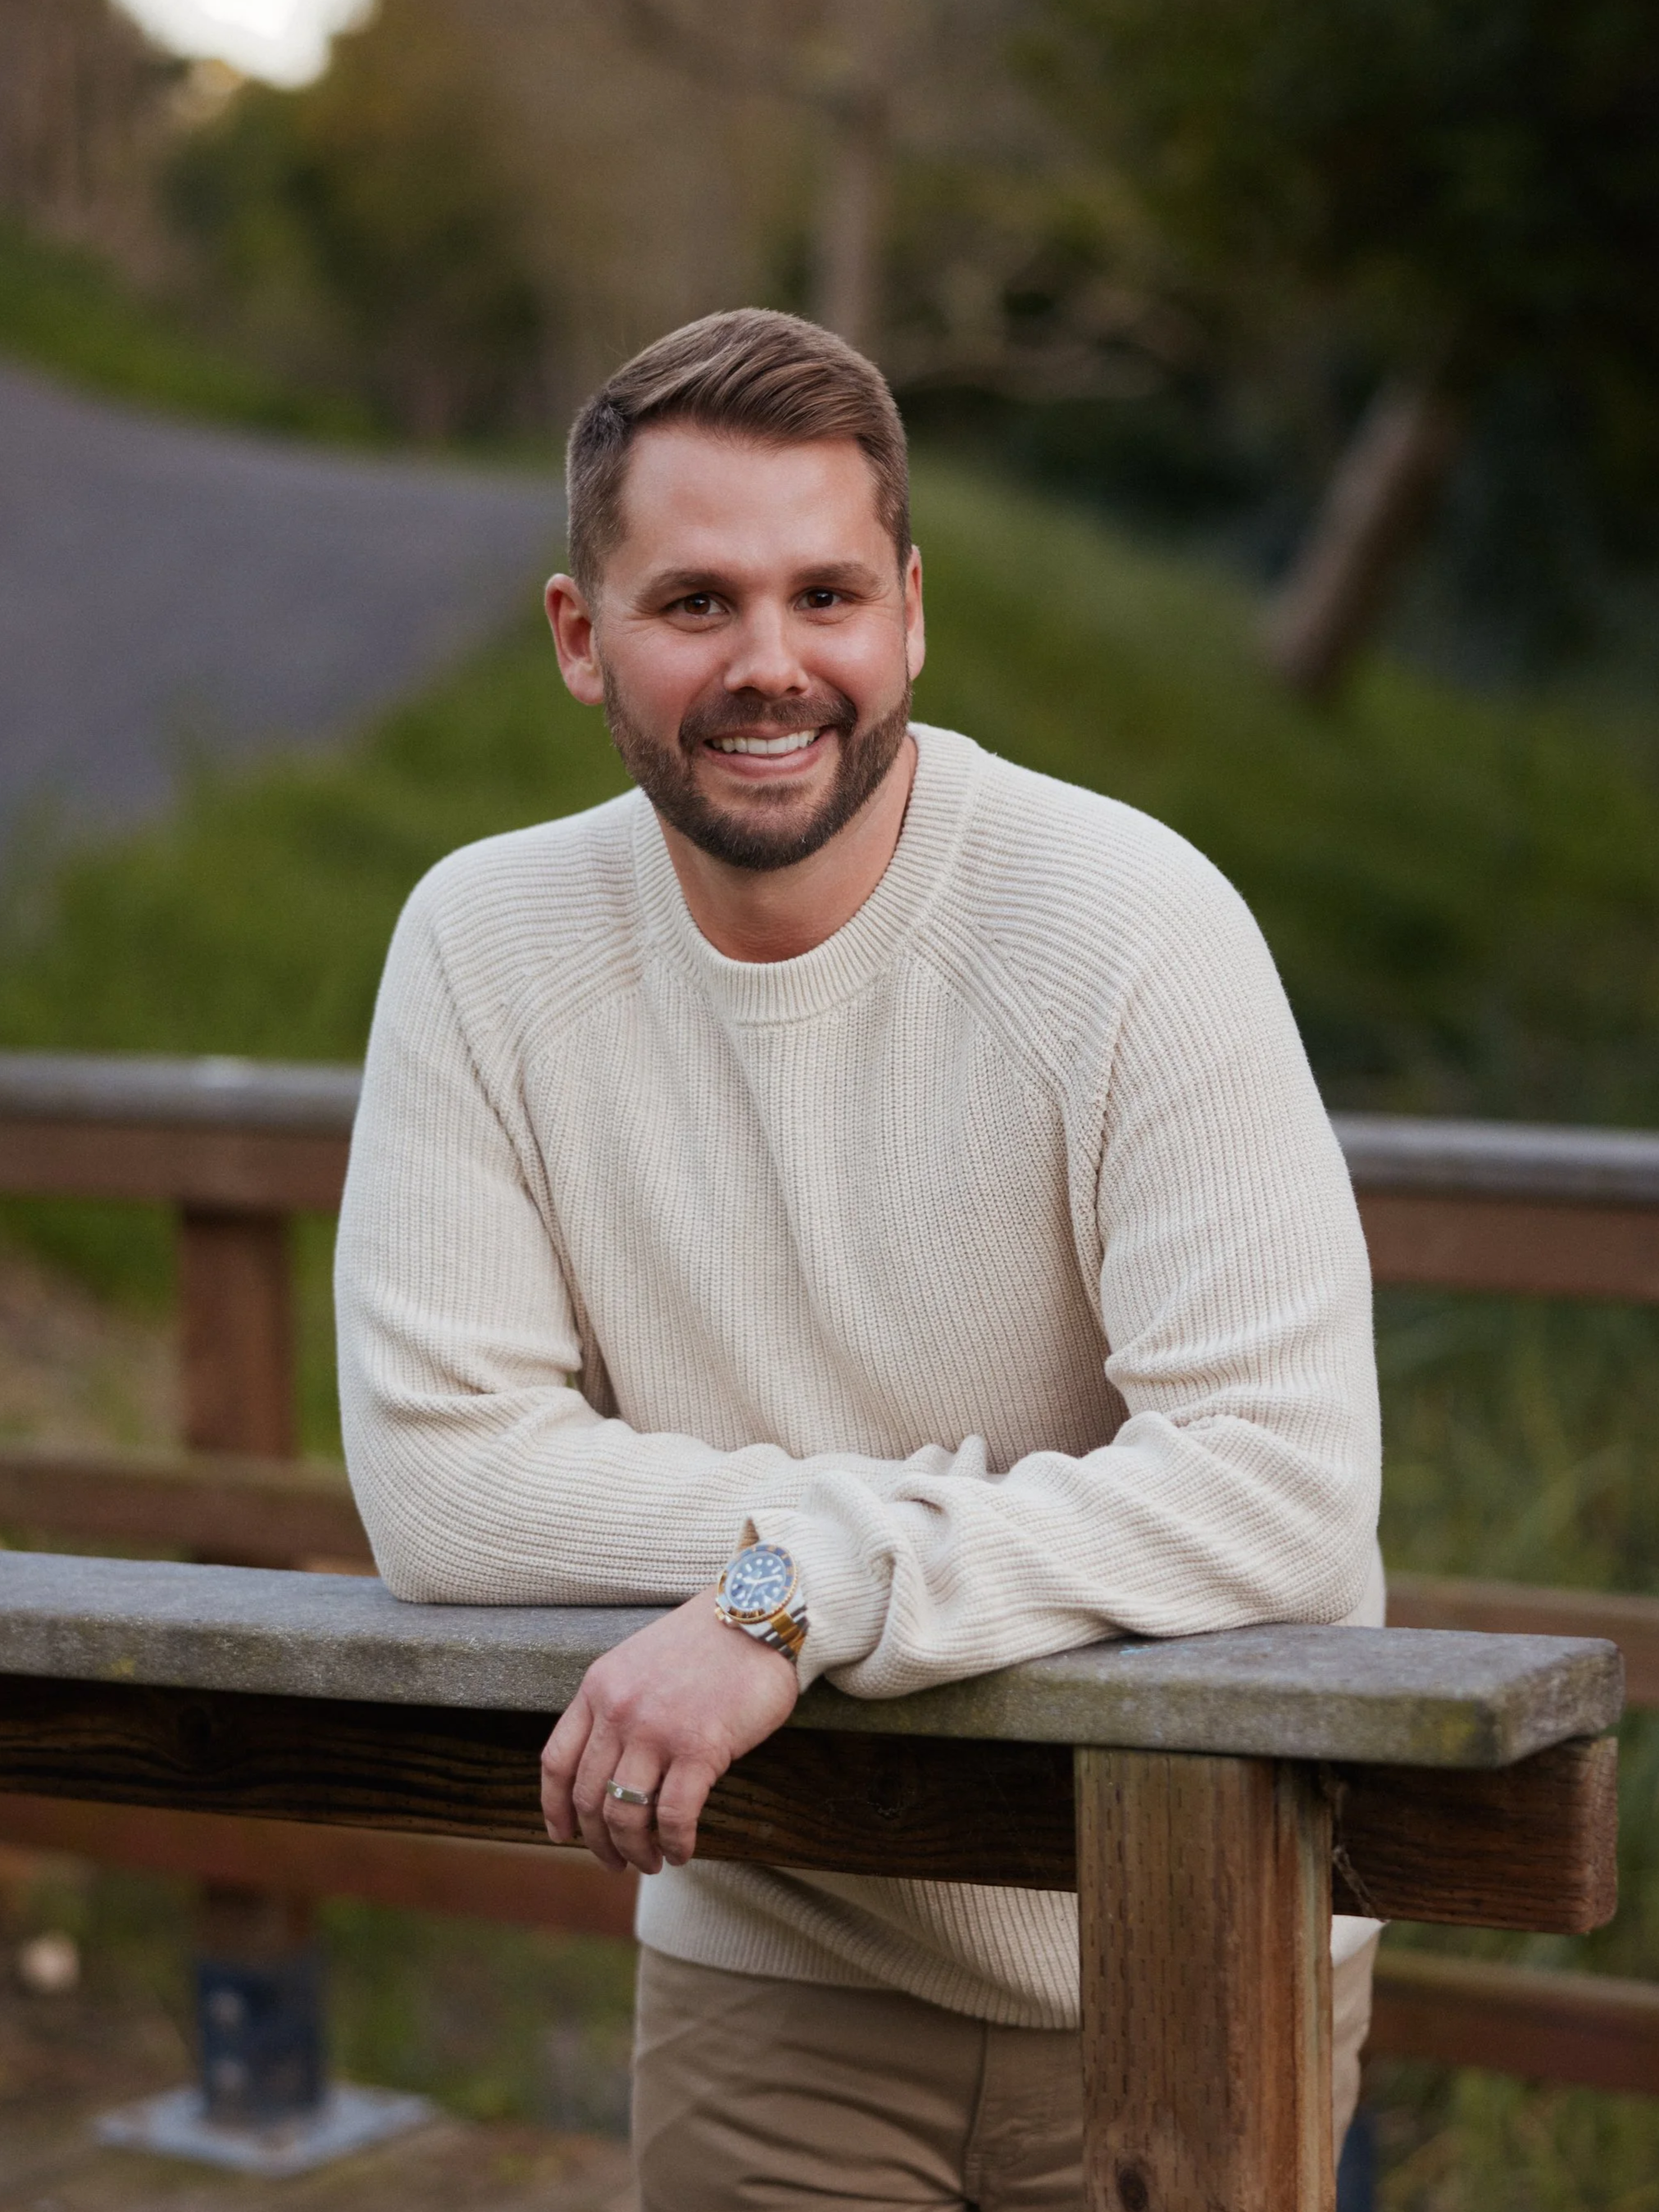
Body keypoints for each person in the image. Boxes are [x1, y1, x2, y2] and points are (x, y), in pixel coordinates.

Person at [335, 307, 1384, 2210]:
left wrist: (796, 1590)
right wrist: (833, 1556)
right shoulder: (484, 947)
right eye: (695, 601)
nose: (769, 664)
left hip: (1178, 1933)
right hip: (779, 1944)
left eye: (826, 592)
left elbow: (1281, 1491)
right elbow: (442, 1484)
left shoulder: (1133, 926)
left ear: (911, 611)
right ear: (582, 636)